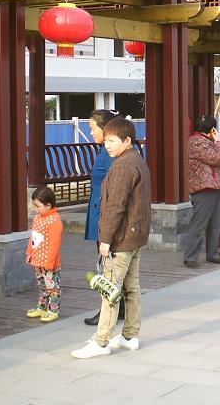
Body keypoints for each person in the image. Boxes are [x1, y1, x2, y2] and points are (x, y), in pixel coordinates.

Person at [71, 118, 151, 359]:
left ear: (127, 140)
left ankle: (101, 341)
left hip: (121, 238)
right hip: (135, 235)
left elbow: (115, 206)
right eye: (106, 140)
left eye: (112, 141)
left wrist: (105, 240)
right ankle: (129, 336)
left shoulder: (123, 166)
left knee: (110, 289)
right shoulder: (136, 159)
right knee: (131, 288)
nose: (107, 145)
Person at [83, 109, 123, 326]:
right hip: (101, 209)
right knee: (111, 263)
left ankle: (108, 309)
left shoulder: (109, 153)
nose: (90, 132)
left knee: (106, 265)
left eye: (92, 128)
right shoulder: (104, 151)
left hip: (105, 214)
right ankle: (119, 307)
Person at [183, 114, 220, 269]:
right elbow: (216, 159)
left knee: (215, 223)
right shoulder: (197, 142)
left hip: (213, 186)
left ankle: (212, 254)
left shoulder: (204, 141)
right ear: (212, 129)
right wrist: (219, 142)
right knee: (199, 223)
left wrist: (215, 142)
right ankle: (190, 257)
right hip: (203, 187)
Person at [25, 186, 63, 323]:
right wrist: (29, 252)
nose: (36, 209)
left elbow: (54, 244)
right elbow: (33, 237)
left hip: (49, 262)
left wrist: (49, 262)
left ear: (48, 205)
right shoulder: (38, 219)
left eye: (38, 206)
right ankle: (41, 307)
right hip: (38, 260)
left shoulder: (54, 220)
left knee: (52, 287)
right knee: (42, 286)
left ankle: (53, 310)